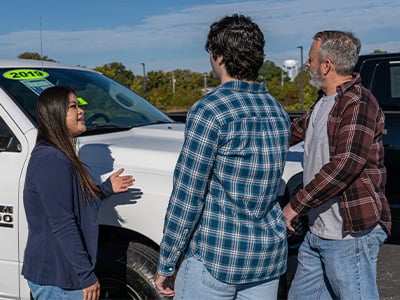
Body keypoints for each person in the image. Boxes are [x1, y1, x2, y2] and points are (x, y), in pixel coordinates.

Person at [154, 14, 291, 299]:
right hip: (266, 257)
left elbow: (188, 194)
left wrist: (167, 261)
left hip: (217, 257)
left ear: (218, 57)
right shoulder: (278, 111)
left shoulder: (210, 109)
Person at [282, 31, 391, 299]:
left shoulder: (358, 103)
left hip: (349, 235)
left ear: (326, 65)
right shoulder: (324, 101)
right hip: (319, 231)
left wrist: (294, 206)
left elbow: (345, 166)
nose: (307, 64)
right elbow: (290, 132)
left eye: (310, 59)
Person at [22, 86, 135, 300]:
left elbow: (72, 204)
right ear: (55, 114)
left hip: (62, 276)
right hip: (59, 280)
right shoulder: (51, 161)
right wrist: (85, 275)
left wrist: (105, 189)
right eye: (73, 106)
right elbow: (63, 223)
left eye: (79, 105)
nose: (81, 111)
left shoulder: (59, 156)